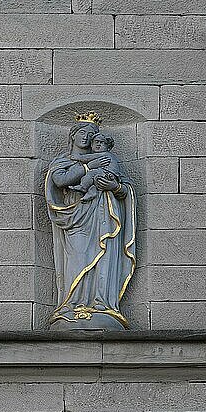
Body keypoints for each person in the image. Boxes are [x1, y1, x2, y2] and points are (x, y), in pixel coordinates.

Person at [44, 113, 136, 330]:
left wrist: (115, 188)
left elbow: (125, 189)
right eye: (82, 133)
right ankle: (71, 305)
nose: (87, 138)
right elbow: (60, 180)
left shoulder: (108, 159)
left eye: (92, 135)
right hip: (77, 217)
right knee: (77, 257)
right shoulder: (63, 161)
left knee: (104, 256)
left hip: (106, 214)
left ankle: (102, 304)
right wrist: (88, 167)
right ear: (73, 136)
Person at [69, 132, 122, 203]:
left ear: (108, 147)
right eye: (96, 142)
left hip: (107, 174)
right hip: (103, 175)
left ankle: (83, 187)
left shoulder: (105, 154)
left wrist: (79, 157)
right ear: (91, 144)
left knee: (91, 174)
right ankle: (91, 193)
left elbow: (88, 157)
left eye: (102, 143)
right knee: (93, 181)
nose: (98, 144)